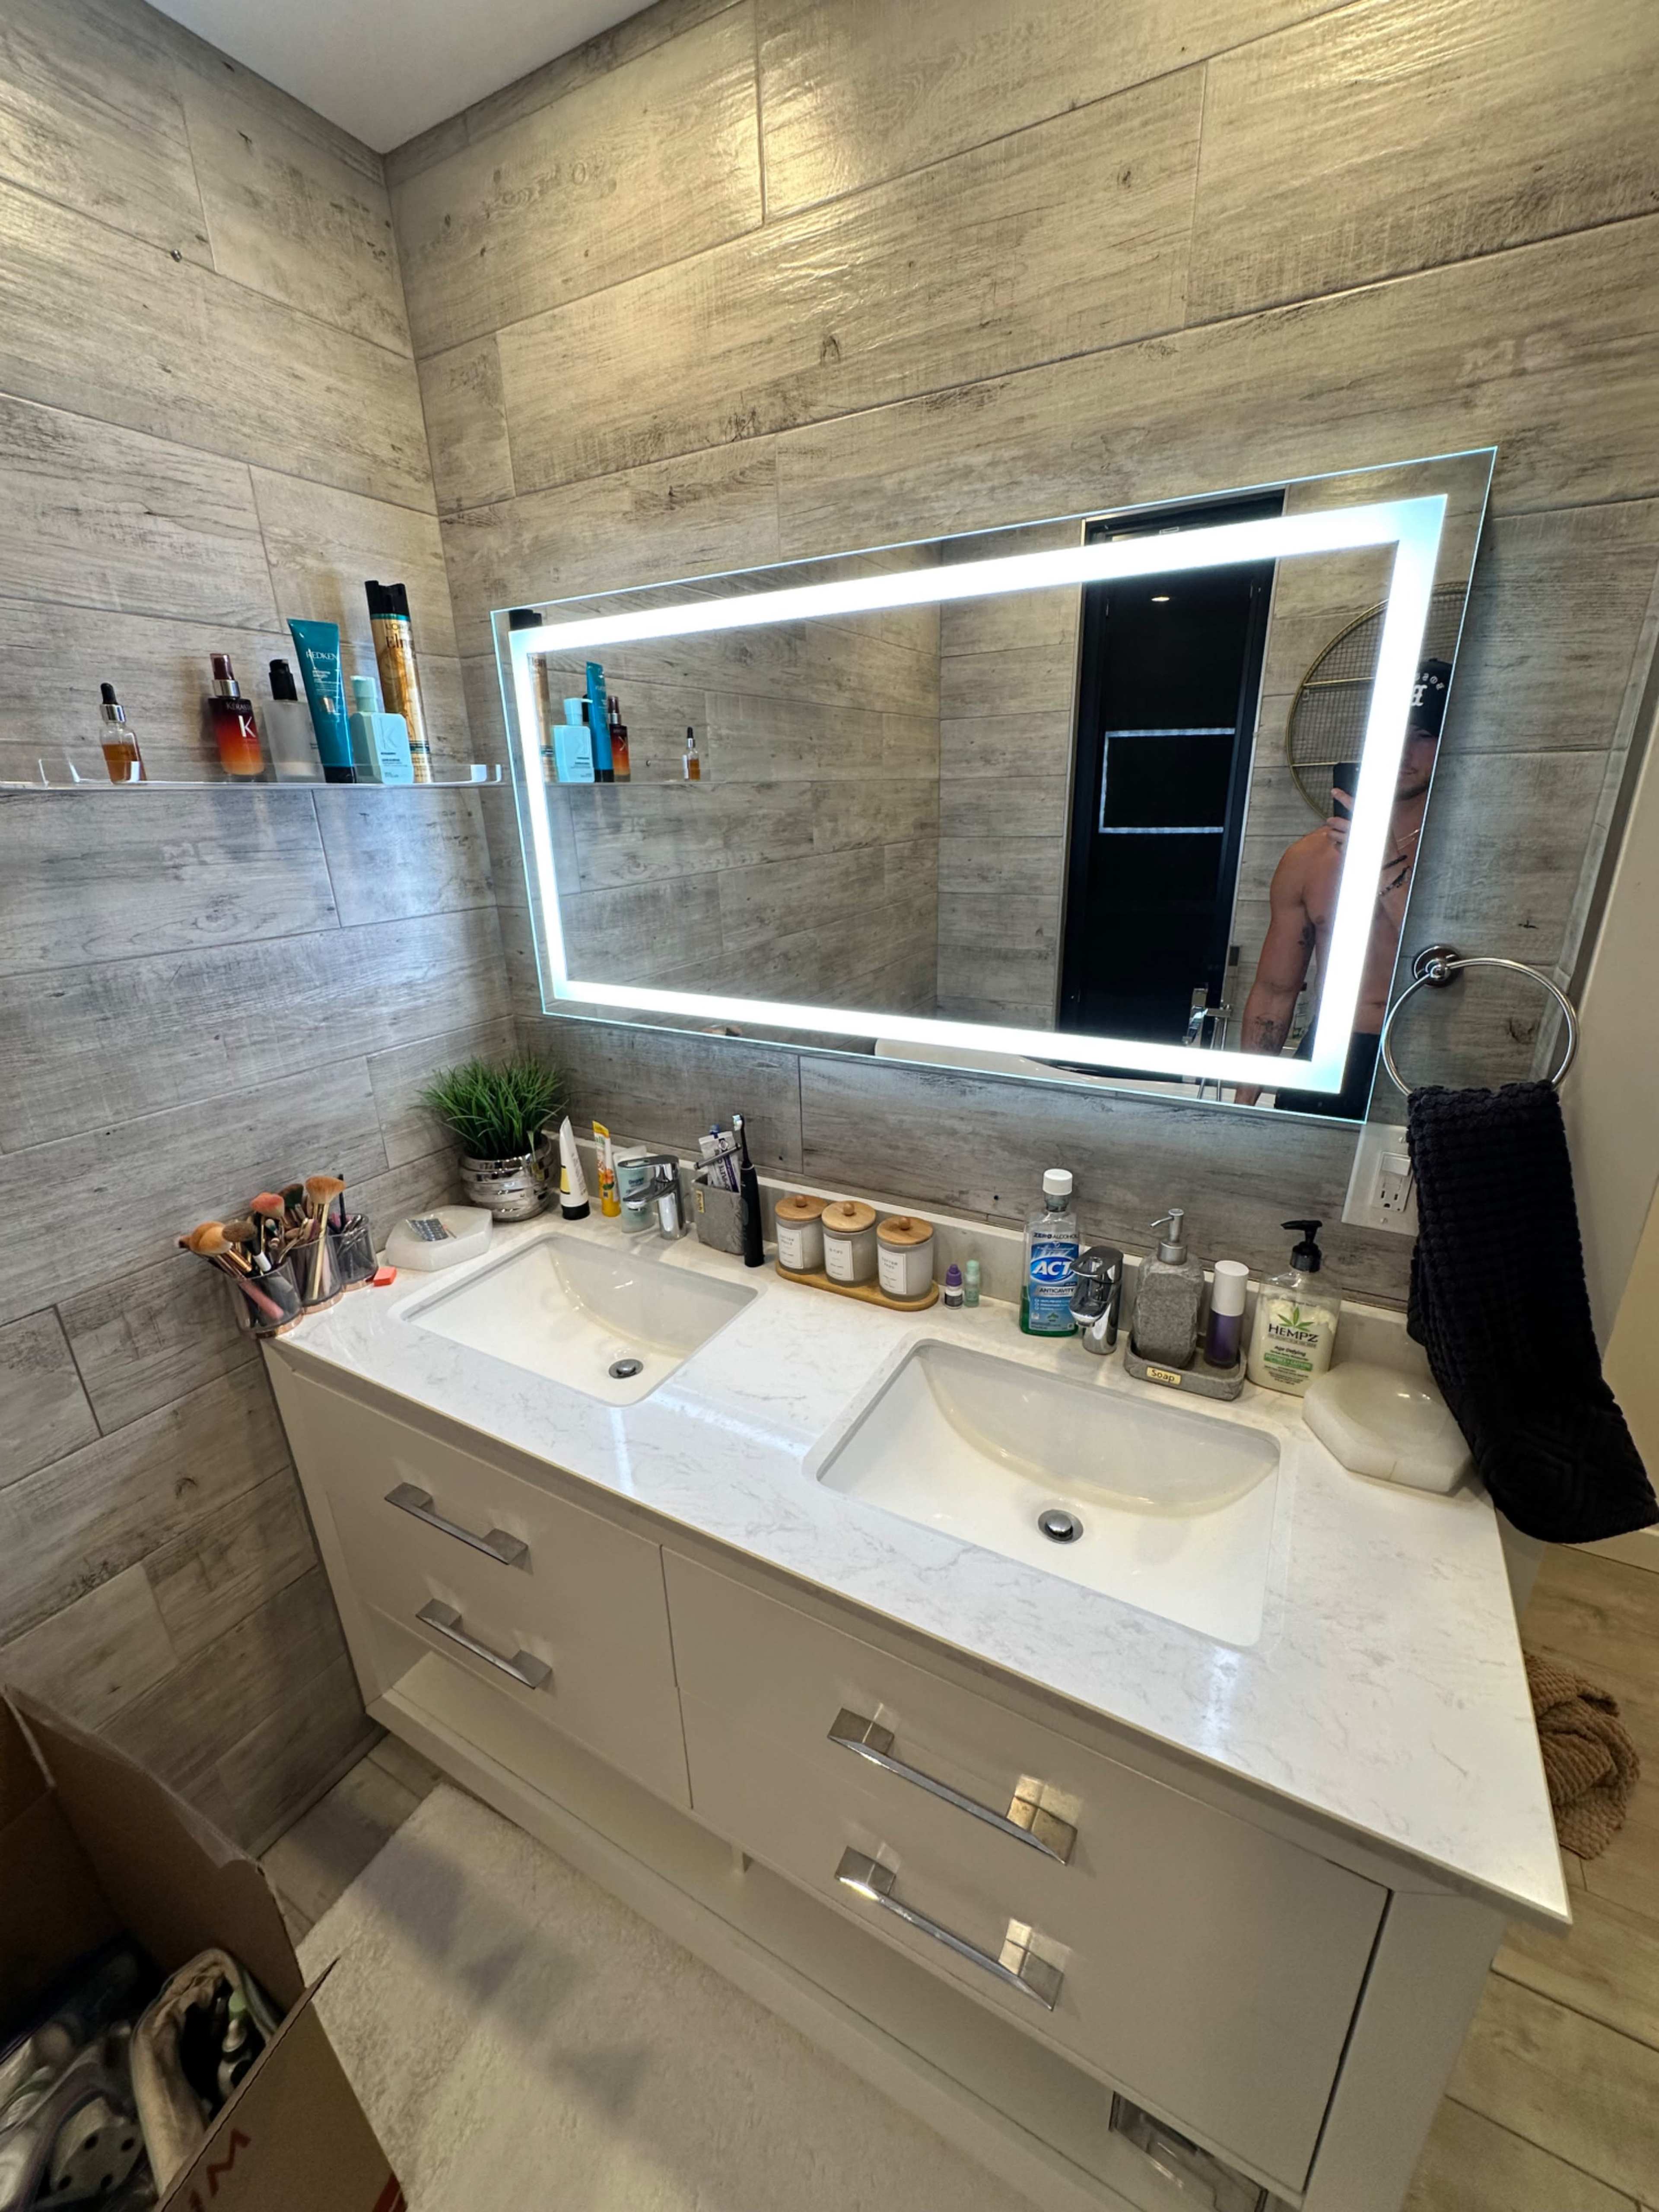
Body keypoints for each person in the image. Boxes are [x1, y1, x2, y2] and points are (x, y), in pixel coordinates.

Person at [1233, 658, 1451, 1116]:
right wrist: (1243, 1106)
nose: (1404, 750)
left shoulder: (1463, 856)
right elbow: (1275, 991)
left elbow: (1448, 965)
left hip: (1429, 1061)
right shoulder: (1308, 859)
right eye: (1395, 732)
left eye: (1424, 735)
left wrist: (1385, 864)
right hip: (1330, 1055)